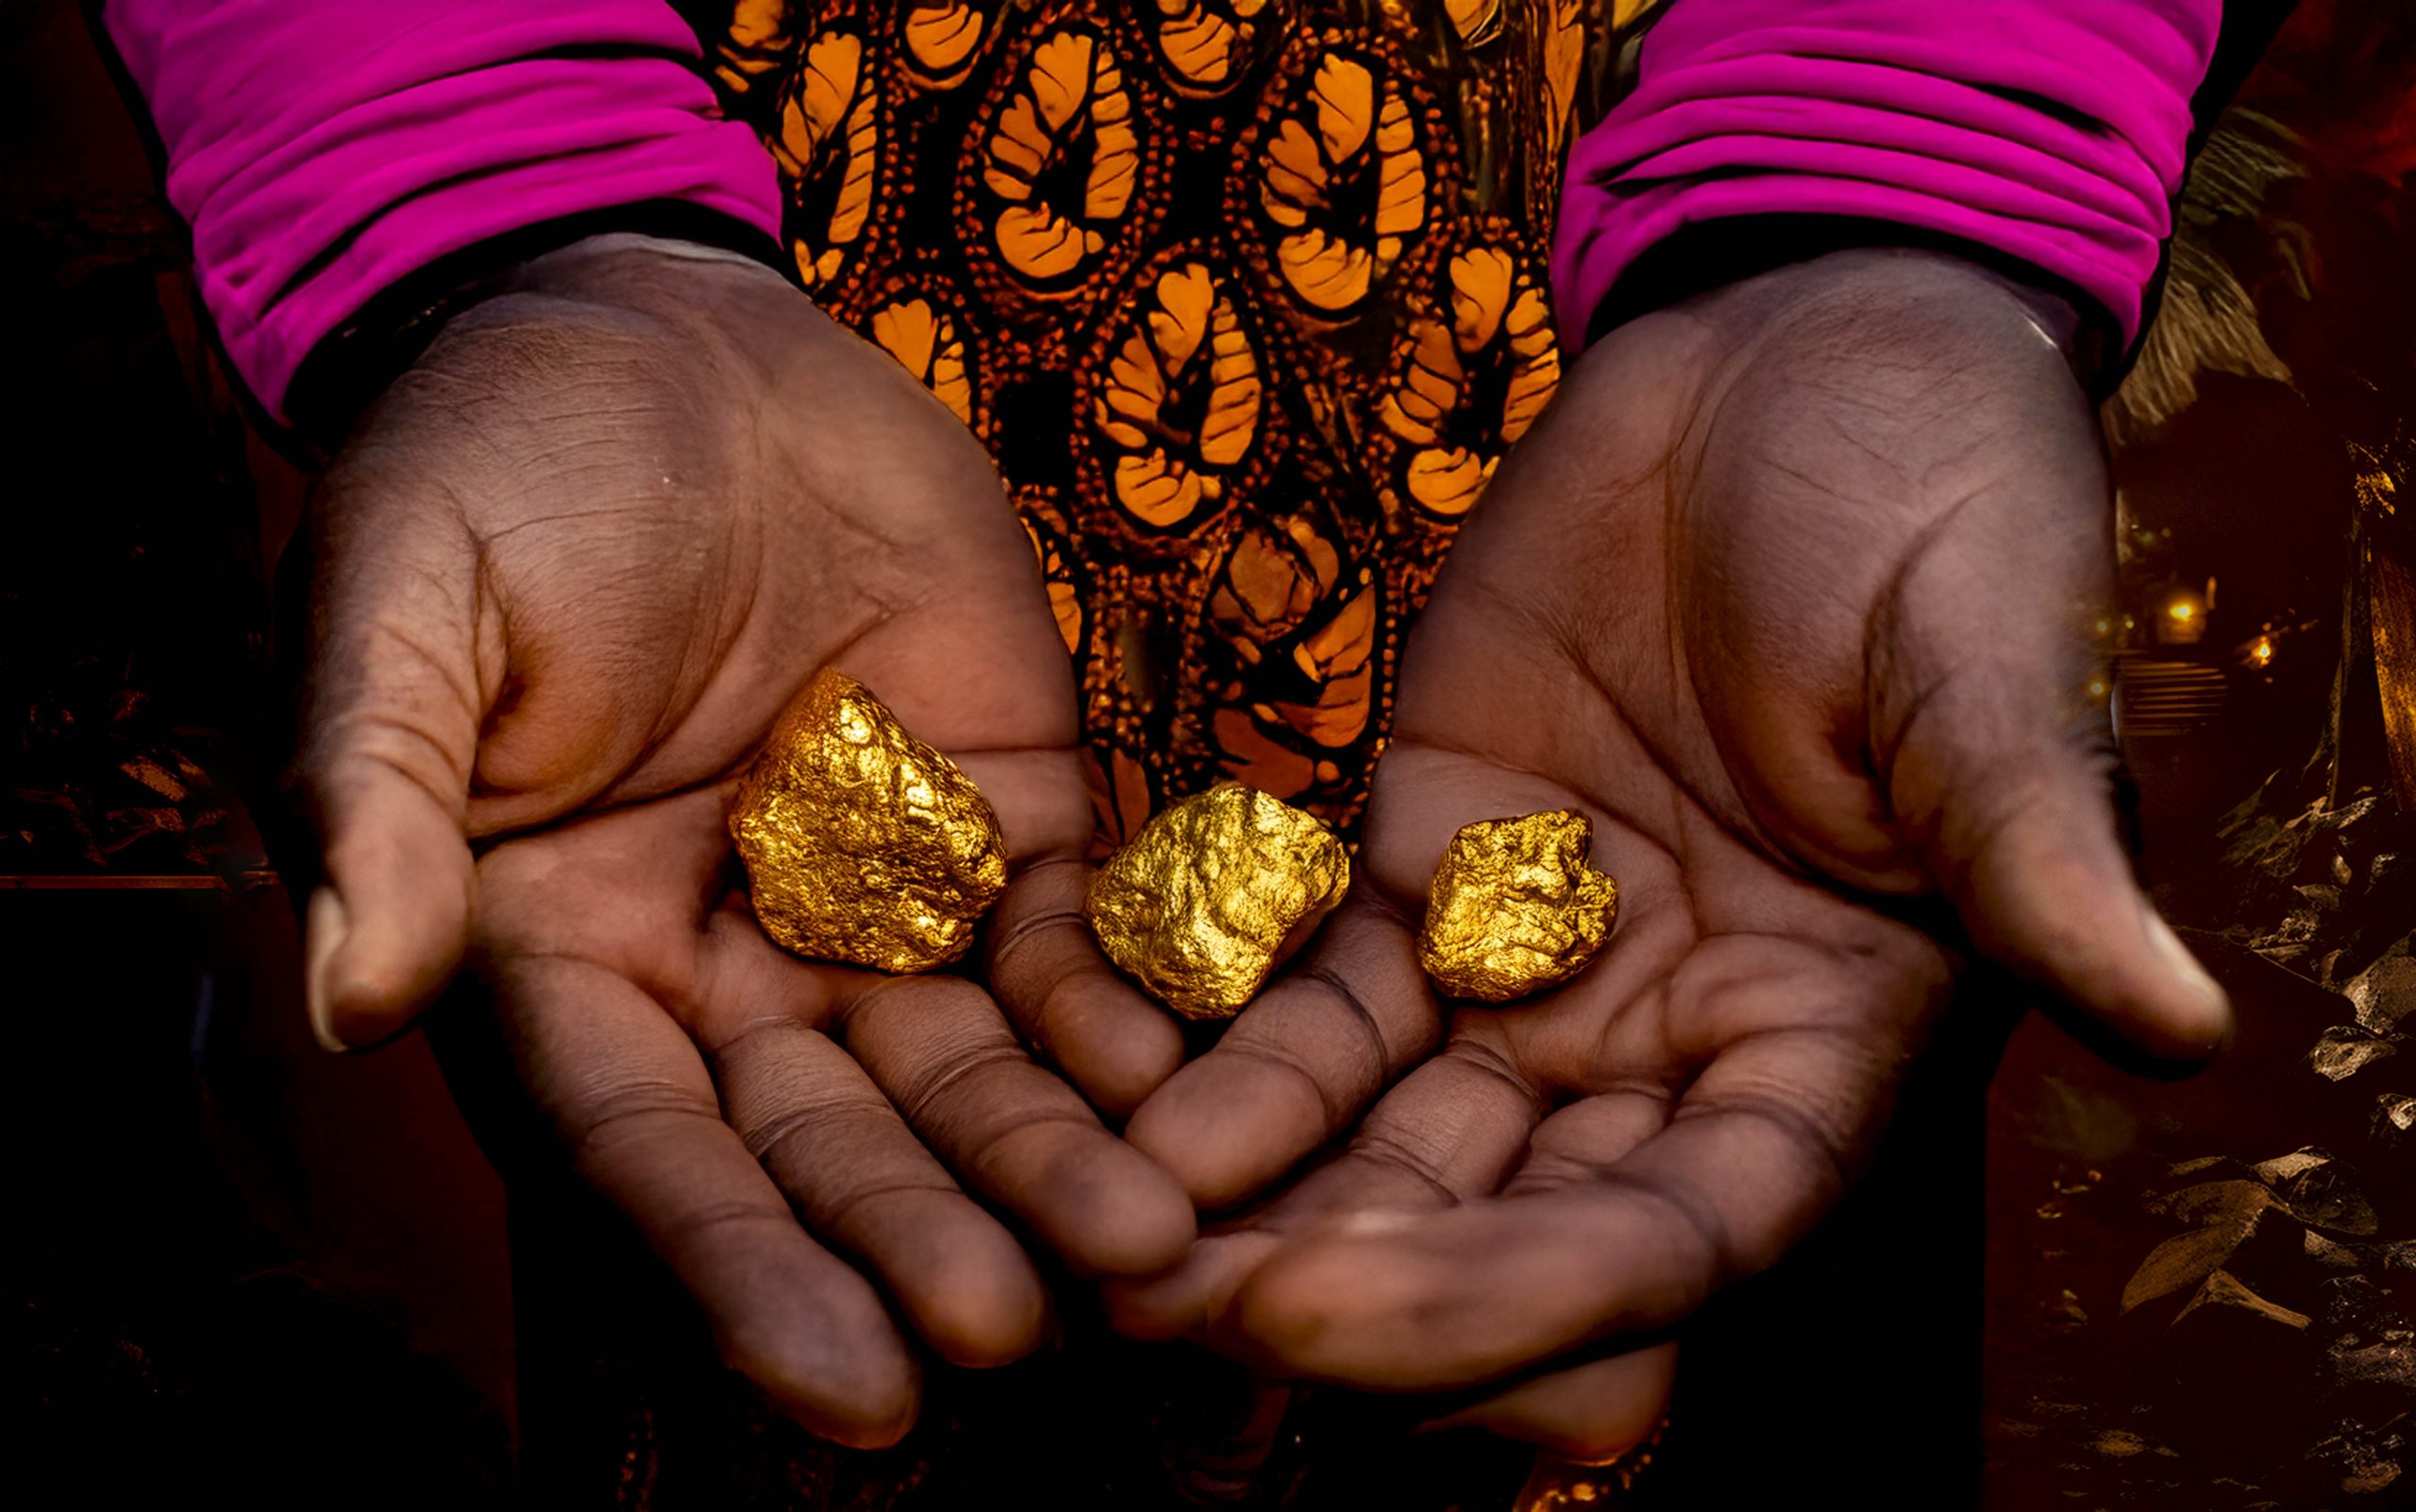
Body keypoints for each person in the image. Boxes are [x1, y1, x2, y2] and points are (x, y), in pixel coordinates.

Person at [100, 0, 2275, 1495]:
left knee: (1662, 1271)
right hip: (739, 378)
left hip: (1639, 475)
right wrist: (482, 185)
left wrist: (1889, 159)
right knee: (791, 1292)